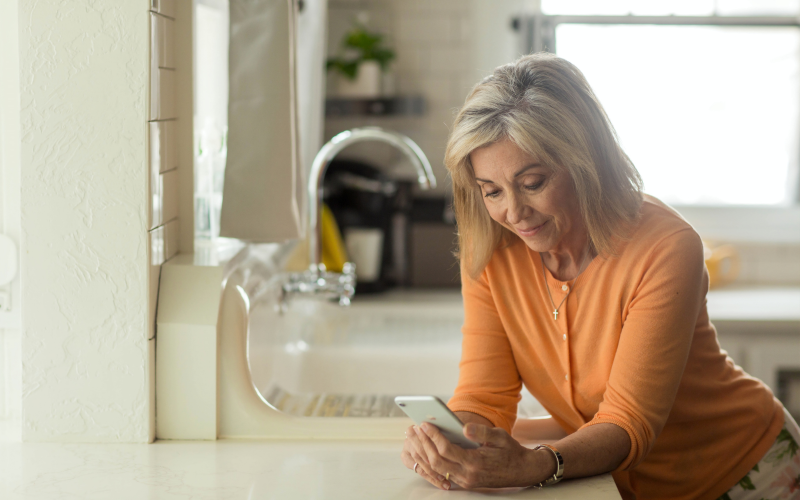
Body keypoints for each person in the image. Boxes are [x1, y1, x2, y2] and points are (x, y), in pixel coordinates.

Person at [400, 52, 800, 500]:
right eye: (491, 191)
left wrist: (534, 464)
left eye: (532, 183)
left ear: (584, 162)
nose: (513, 212)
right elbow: (484, 394)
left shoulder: (664, 248)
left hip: (747, 470)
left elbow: (628, 421)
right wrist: (453, 441)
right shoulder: (491, 250)